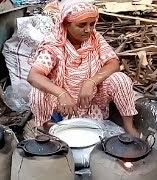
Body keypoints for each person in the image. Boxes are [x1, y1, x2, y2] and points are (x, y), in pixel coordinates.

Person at [27, 1, 140, 137]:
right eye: (82, 25)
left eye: (92, 24)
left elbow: (113, 62)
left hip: (91, 96)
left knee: (121, 79)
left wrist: (90, 82)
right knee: (38, 91)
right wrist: (62, 93)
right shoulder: (55, 44)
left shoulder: (95, 39)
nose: (88, 30)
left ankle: (129, 127)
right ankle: (47, 127)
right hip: (62, 101)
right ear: (66, 24)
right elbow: (34, 76)